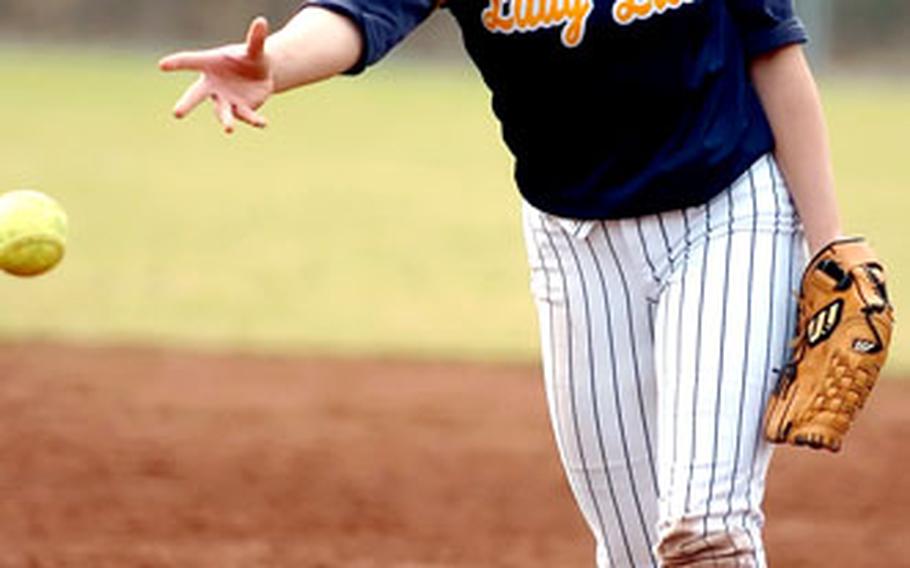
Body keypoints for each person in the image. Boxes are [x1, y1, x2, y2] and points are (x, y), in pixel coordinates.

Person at [160, 1, 844, 565]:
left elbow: (774, 51)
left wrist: (830, 248)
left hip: (728, 213)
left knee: (706, 530)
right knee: (635, 551)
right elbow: (357, 14)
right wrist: (273, 63)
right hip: (573, 241)